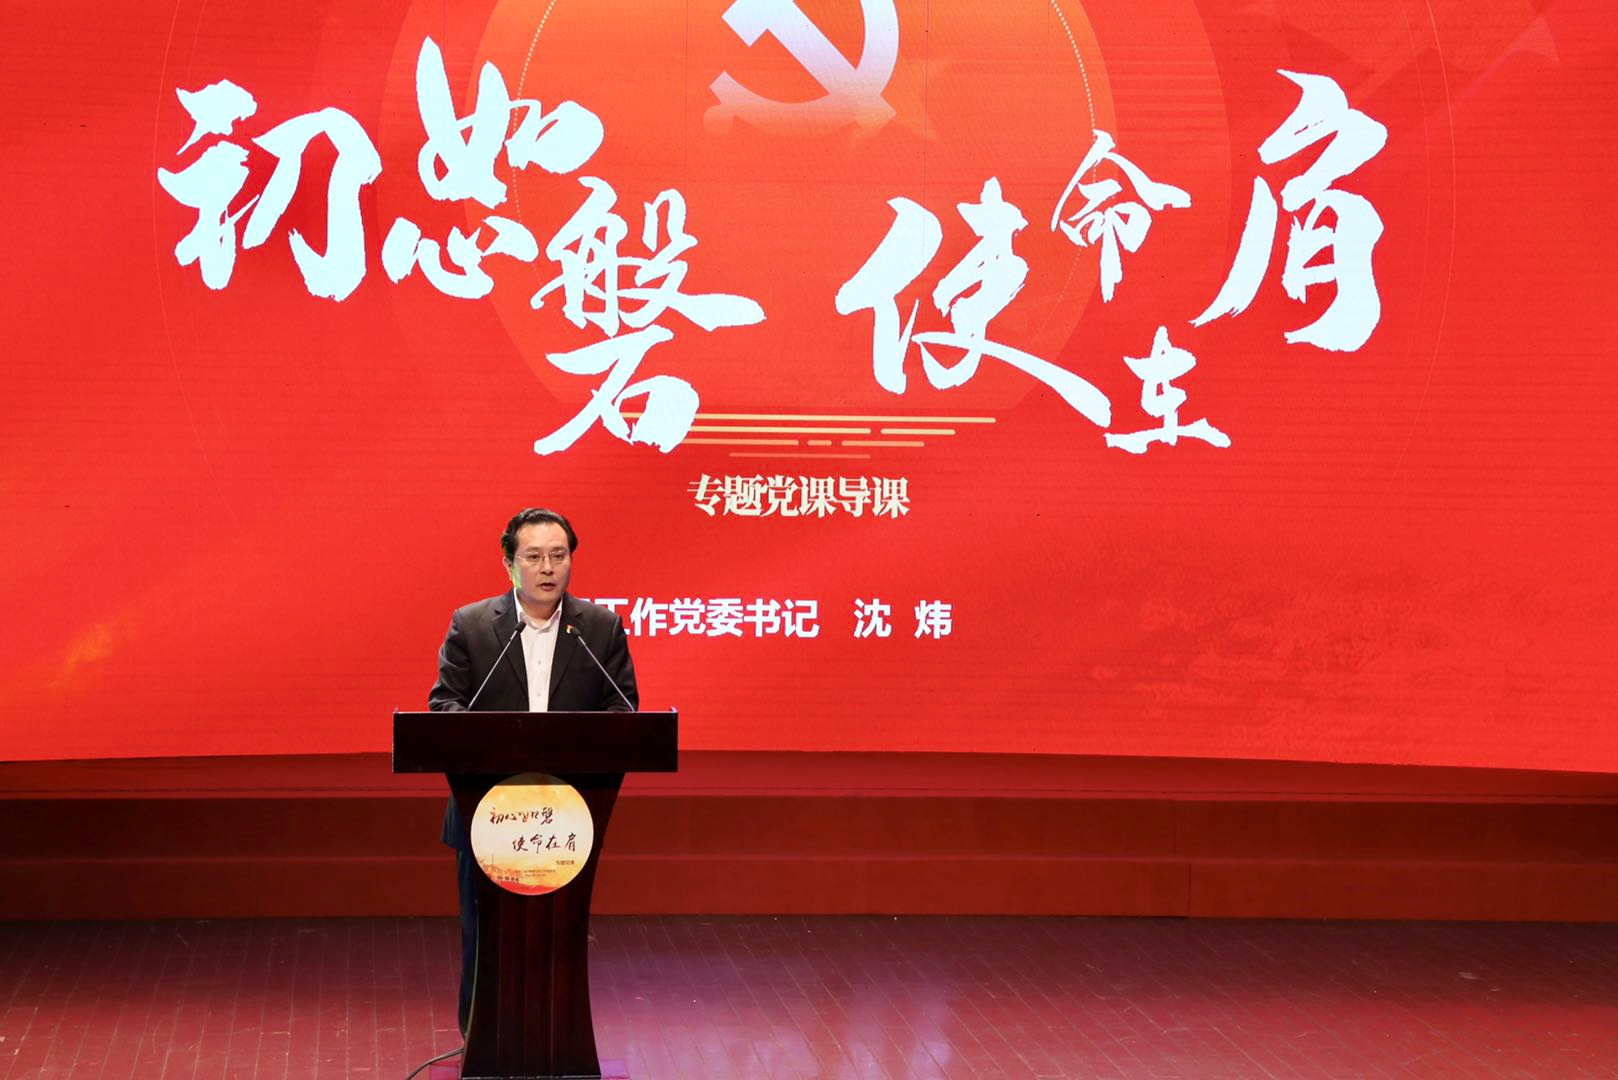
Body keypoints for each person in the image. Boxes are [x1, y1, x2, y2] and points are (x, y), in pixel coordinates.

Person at [428, 507, 639, 1037]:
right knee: (485, 937)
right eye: (534, 556)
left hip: (568, 814)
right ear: (509, 564)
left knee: (558, 941)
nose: (548, 567)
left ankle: (557, 1041)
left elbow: (623, 712)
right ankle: (480, 1042)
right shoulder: (472, 625)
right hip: (488, 811)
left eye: (558, 555)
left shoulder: (599, 628)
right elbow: (444, 707)